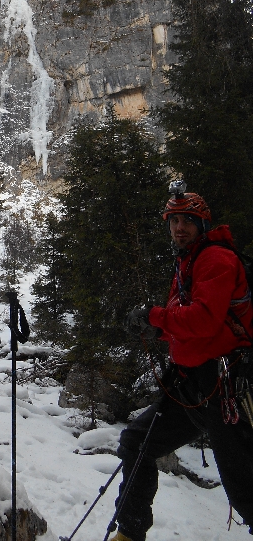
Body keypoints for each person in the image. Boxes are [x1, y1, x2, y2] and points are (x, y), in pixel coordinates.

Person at [109, 183, 253, 541]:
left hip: (224, 384)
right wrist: (154, 326)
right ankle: (130, 531)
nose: (179, 228)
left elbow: (203, 319)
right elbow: (185, 320)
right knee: (137, 443)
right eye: (173, 221)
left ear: (203, 224)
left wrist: (155, 316)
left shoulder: (216, 259)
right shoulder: (188, 261)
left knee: (242, 481)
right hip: (194, 383)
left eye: (187, 220)